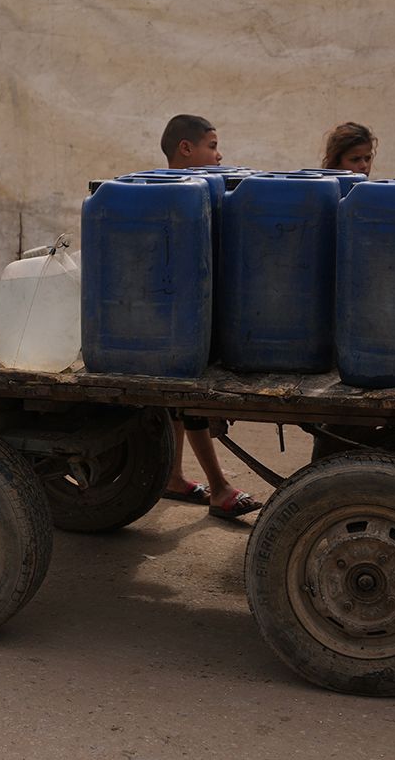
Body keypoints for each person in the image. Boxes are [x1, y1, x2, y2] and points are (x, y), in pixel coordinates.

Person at [154, 114, 260, 519]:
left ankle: (174, 476)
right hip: (180, 318)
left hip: (184, 314)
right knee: (189, 401)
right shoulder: (172, 196)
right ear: (186, 149)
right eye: (212, 146)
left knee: (177, 403)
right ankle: (218, 486)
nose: (219, 155)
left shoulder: (197, 193)